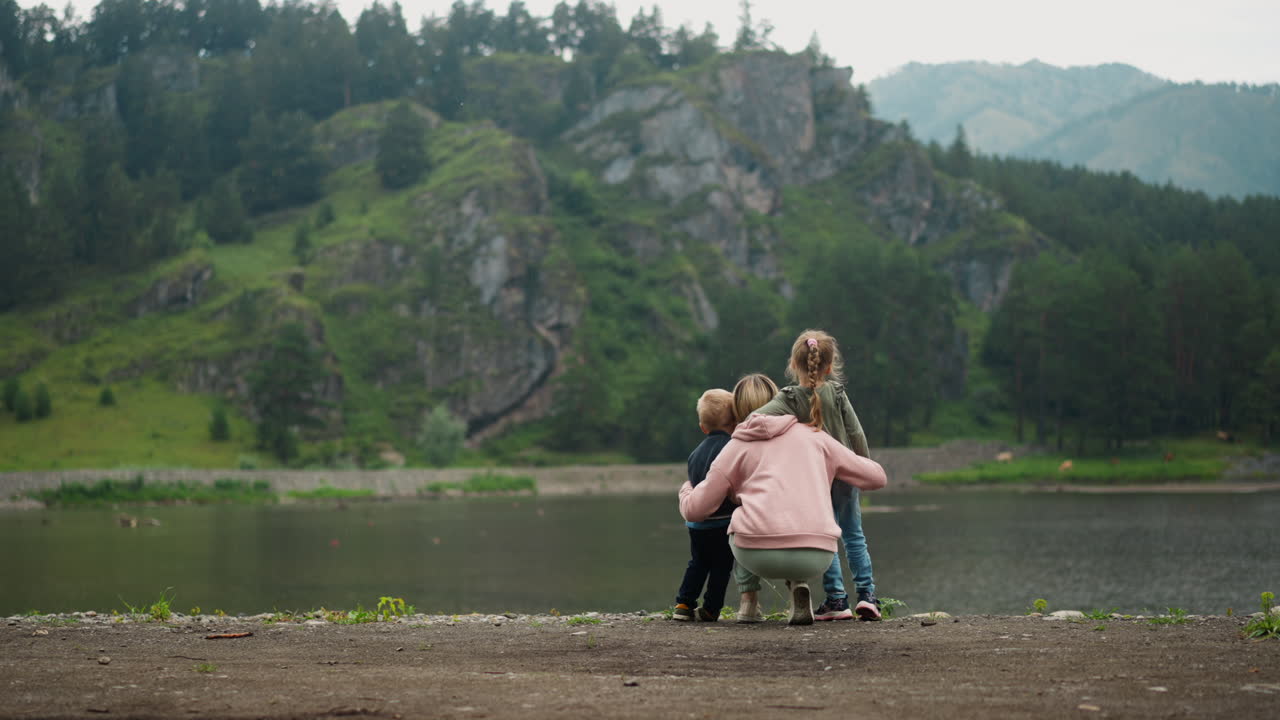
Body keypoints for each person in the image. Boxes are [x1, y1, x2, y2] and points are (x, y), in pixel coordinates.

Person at [679, 373, 887, 625]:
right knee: (796, 511)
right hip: (815, 556)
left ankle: (748, 602)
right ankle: (800, 588)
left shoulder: (735, 445)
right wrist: (828, 470)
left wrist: (687, 489)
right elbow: (877, 478)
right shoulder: (814, 436)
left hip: (755, 555)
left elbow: (695, 511)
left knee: (737, 514)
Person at [753, 330, 882, 621]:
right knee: (854, 536)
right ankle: (867, 597)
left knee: (828, 537)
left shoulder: (789, 398)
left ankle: (837, 600)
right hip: (847, 475)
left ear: (793, 364)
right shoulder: (837, 393)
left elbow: (754, 419)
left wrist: (785, 429)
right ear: (829, 365)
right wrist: (864, 467)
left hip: (815, 482)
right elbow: (856, 433)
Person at [671, 389, 738, 622]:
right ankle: (711, 608)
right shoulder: (732, 449)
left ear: (703, 427)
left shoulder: (694, 454)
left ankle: (684, 603)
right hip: (723, 522)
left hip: (697, 524)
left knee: (698, 562)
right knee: (721, 567)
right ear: (735, 422)